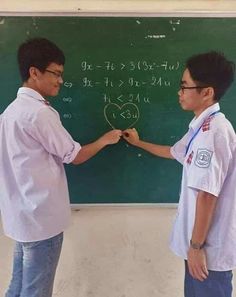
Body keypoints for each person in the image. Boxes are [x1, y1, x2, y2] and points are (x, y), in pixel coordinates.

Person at [0, 37, 122, 297]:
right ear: (34, 72)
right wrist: (105, 140)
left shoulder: (10, 112)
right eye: (56, 73)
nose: (60, 80)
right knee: (36, 292)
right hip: (41, 220)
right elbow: (73, 155)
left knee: (18, 287)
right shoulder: (39, 113)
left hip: (21, 217)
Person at [123, 51, 236, 297]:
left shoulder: (213, 133)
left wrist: (195, 247)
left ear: (207, 92)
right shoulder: (201, 127)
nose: (179, 92)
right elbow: (175, 152)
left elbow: (207, 195)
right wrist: (138, 143)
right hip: (198, 246)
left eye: (185, 86)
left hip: (208, 253)